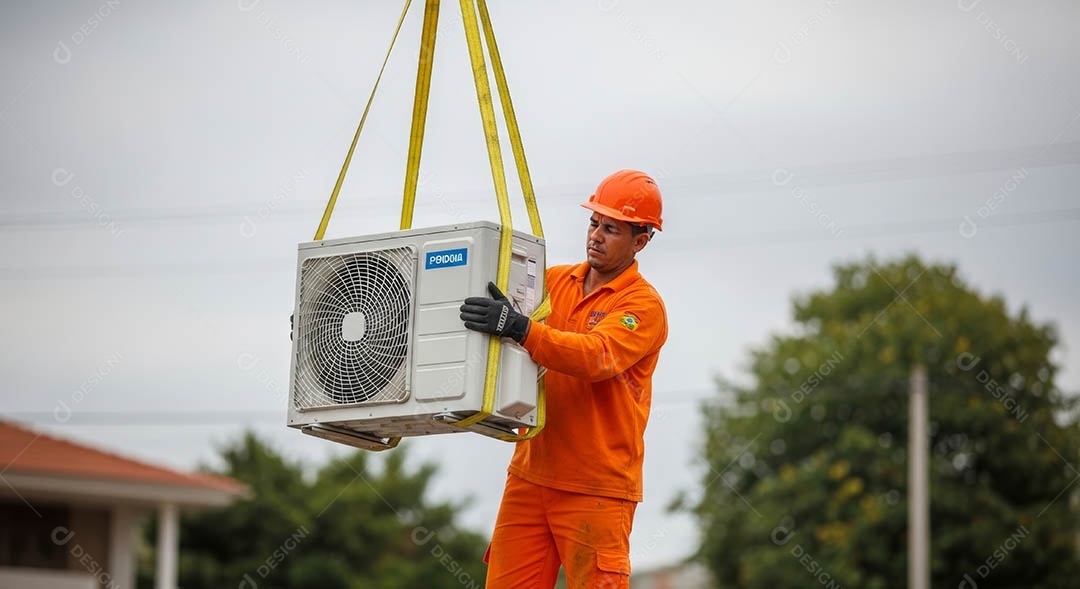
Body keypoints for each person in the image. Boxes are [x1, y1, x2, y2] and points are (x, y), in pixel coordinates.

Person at [459, 169, 668, 589]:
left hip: (597, 488)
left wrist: (521, 328)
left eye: (611, 229)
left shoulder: (643, 306)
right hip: (530, 474)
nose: (596, 235)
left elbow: (597, 357)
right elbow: (481, 313)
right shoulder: (554, 281)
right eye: (594, 222)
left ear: (641, 240)